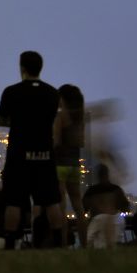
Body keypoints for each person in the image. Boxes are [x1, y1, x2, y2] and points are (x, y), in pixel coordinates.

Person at [0, 50, 65, 249]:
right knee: (51, 201)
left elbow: (2, 120)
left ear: (22, 68)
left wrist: (19, 122)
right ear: (40, 67)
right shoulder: (53, 93)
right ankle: (59, 242)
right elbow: (55, 120)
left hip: (18, 154)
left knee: (14, 202)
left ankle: (10, 243)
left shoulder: (11, 92)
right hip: (44, 154)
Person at [54, 83, 87, 246]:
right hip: (75, 164)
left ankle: (63, 244)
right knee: (78, 207)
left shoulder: (61, 116)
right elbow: (81, 142)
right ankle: (84, 244)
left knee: (61, 206)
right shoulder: (81, 118)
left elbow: (56, 141)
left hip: (59, 164)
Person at [84, 164, 130, 249]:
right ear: (108, 174)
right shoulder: (116, 189)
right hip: (114, 221)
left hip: (96, 223)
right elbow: (125, 206)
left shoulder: (91, 191)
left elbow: (84, 208)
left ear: (97, 175)